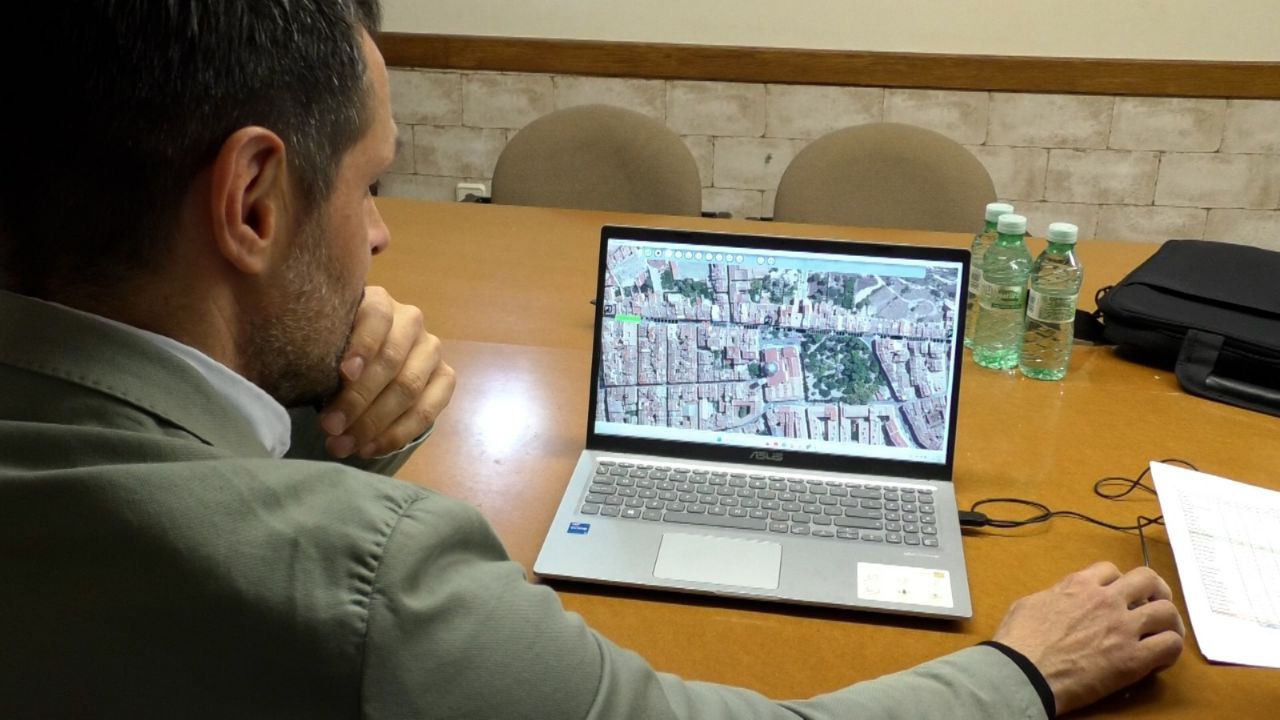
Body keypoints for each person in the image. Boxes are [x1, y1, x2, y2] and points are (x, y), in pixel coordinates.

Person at [0, 2, 1184, 717]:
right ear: (253, 201)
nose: (379, 237)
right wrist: (1023, 671)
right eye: (370, 184)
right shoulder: (379, 584)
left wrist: (323, 426)